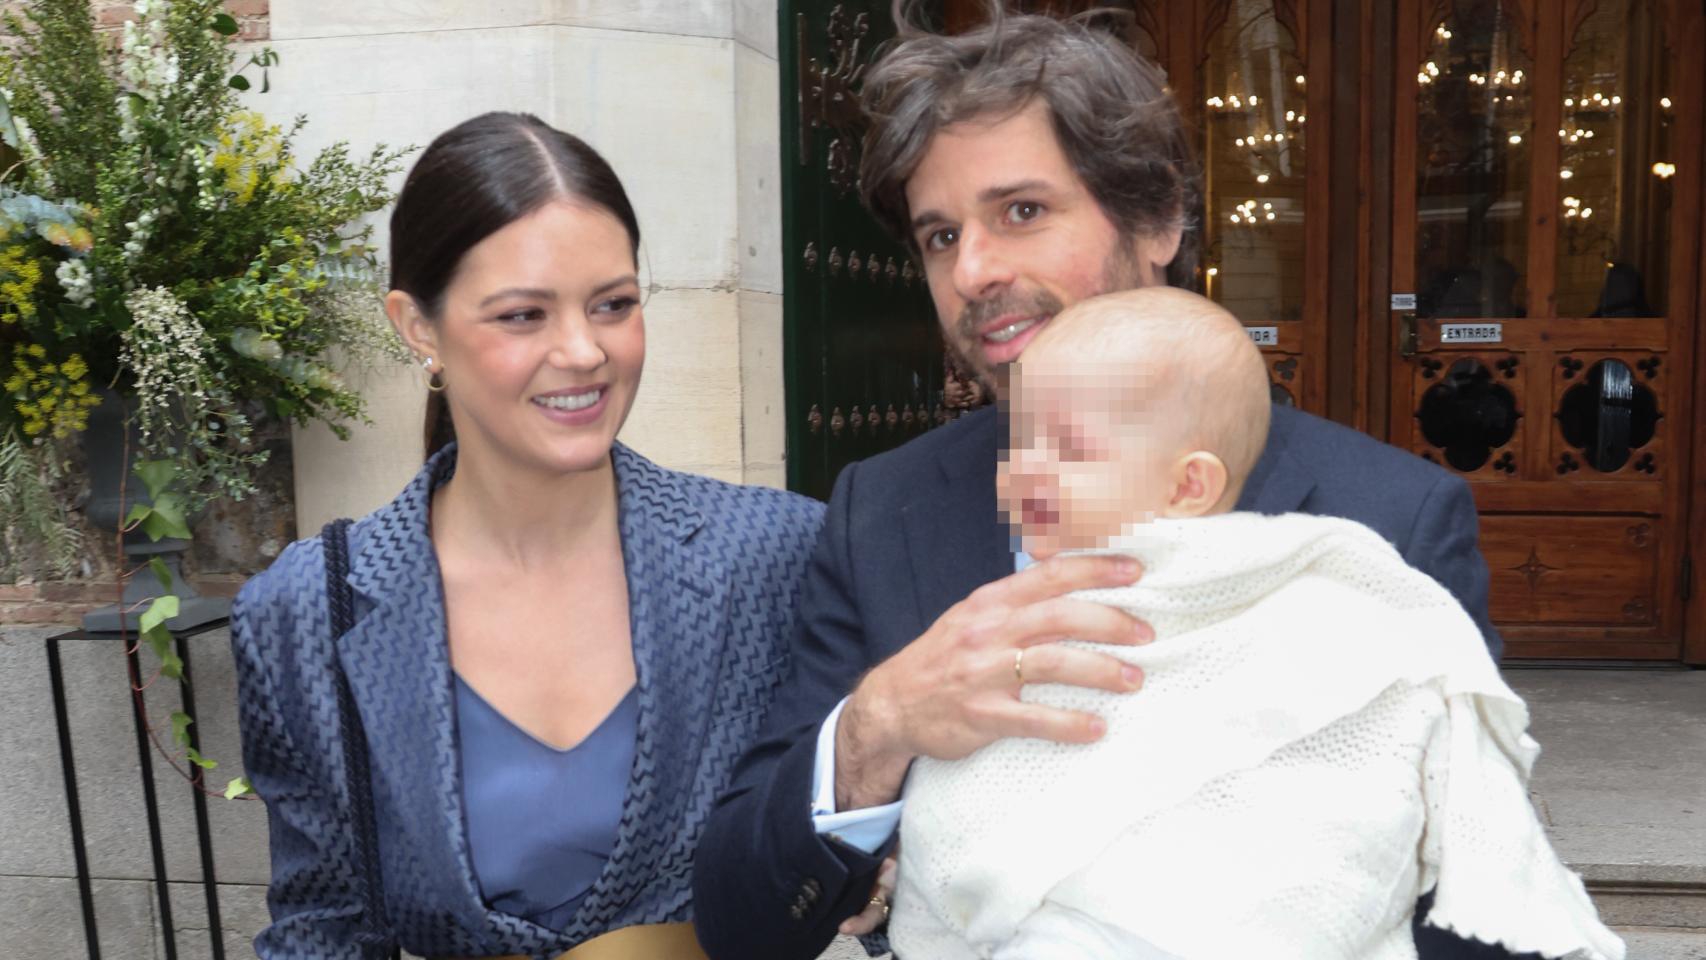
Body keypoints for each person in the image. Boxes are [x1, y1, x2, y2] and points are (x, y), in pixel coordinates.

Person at [693, 8, 1507, 959]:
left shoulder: (1388, 519)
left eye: (1022, 212)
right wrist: (877, 729)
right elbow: (740, 921)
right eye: (940, 236)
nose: (974, 270)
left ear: (1158, 219)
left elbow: (1480, 906)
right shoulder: (884, 512)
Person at [230, 112, 824, 959]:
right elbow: (321, 928)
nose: (583, 351)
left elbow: (871, 842)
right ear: (418, 327)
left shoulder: (777, 555)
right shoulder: (304, 613)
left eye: (613, 304)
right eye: (522, 316)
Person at [887, 288, 1623, 960]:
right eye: (1019, 445)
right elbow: (976, 788)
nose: (1022, 473)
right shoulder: (1009, 616)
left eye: (1068, 450)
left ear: (1188, 486)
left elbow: (1378, 730)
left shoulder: (1303, 588)